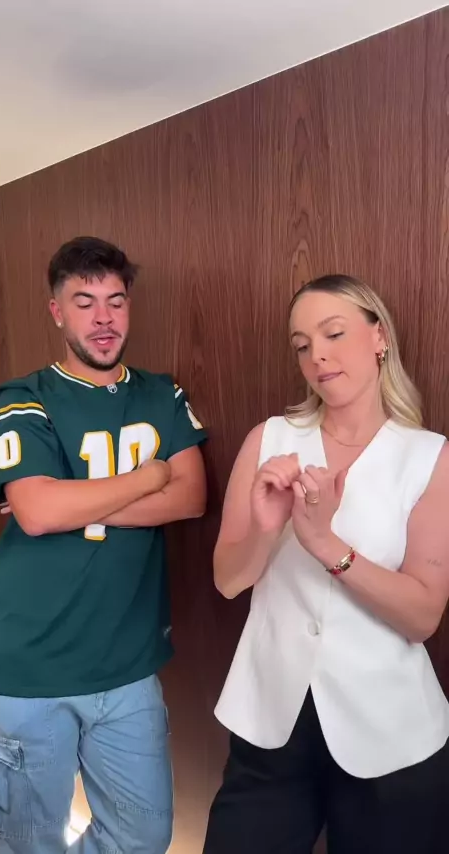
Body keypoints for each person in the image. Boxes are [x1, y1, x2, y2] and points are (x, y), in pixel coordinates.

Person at [0, 236, 207, 854]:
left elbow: (191, 497)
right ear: (57, 311)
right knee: (29, 845)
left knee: (142, 836)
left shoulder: (161, 394)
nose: (104, 319)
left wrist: (71, 500)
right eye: (84, 302)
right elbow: (38, 513)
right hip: (26, 665)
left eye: (115, 301)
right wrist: (149, 477)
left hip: (125, 665)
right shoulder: (22, 397)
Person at [203, 275, 449, 854]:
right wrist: (267, 530)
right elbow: (229, 580)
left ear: (379, 337)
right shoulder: (269, 440)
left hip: (392, 737)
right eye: (301, 344)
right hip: (270, 724)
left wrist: (324, 545)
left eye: (333, 334)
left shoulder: (428, 456)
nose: (316, 355)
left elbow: (422, 617)